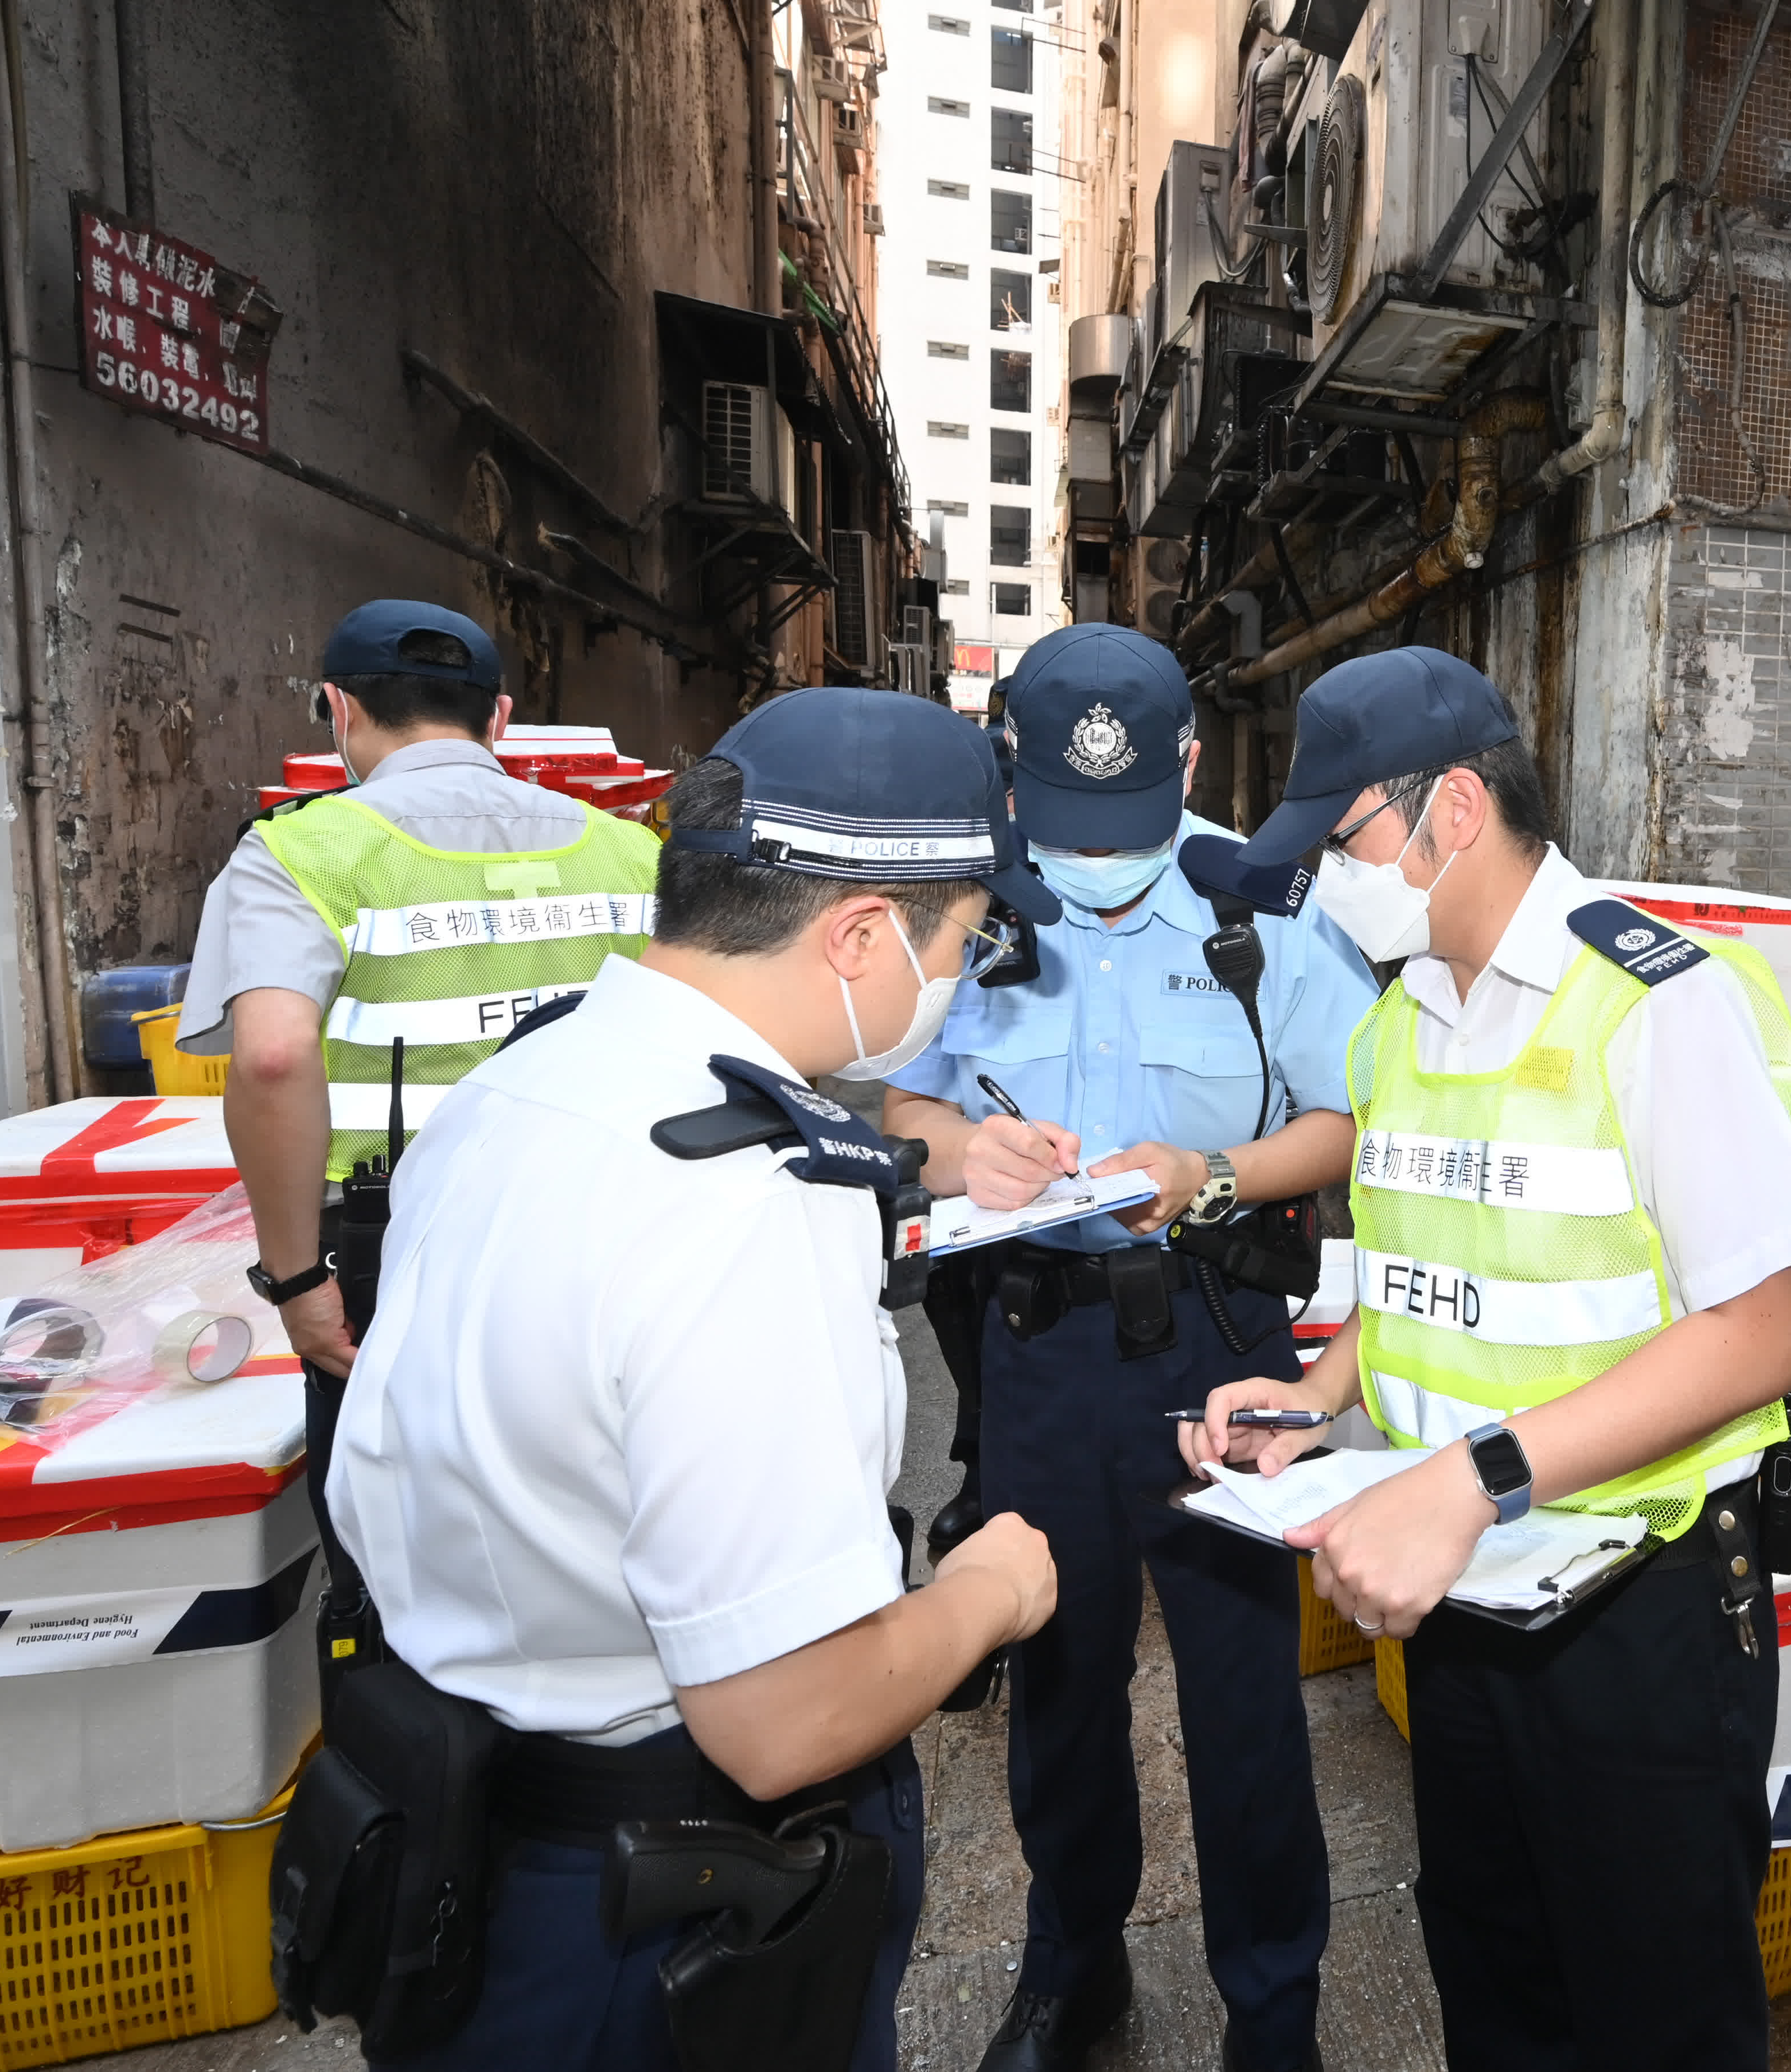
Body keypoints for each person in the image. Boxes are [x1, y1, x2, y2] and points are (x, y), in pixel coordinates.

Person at [321, 688, 1064, 2072]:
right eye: (966, 939)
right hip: (664, 1902)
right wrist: (987, 1594)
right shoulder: (742, 1198)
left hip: (459, 1836)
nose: (962, 976)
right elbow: (785, 1717)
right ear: (858, 935)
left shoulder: (516, 1084)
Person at [1178, 649, 1791, 2072]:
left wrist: (1478, 1475)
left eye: (1342, 844)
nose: (1326, 884)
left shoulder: (1656, 1001)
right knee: (1496, 1971)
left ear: (1453, 808)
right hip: (1471, 1596)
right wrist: (1320, 1392)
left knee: (1655, 2011)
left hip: (1637, 1607)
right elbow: (1429, 1271)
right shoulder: (1403, 1019)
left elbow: (1758, 1333)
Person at [880, 624, 1376, 2072]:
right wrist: (970, 1146)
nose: (1103, 862)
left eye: (1136, 821)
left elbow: (1351, 1119)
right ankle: (1071, 1964)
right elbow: (893, 1113)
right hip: (1037, 1349)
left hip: (1221, 1344)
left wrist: (1212, 1174)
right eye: (1065, 822)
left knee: (1242, 1709)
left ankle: (1272, 2010)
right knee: (1059, 1684)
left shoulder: (1262, 905)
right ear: (1012, 775)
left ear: (1192, 767)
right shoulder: (962, 908)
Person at [177, 600, 660, 1375]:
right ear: (499, 718)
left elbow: (272, 1058)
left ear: (339, 708)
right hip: (609, 1221)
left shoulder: (298, 852)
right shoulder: (633, 851)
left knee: (390, 1487)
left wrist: (296, 1278)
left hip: (397, 1236)